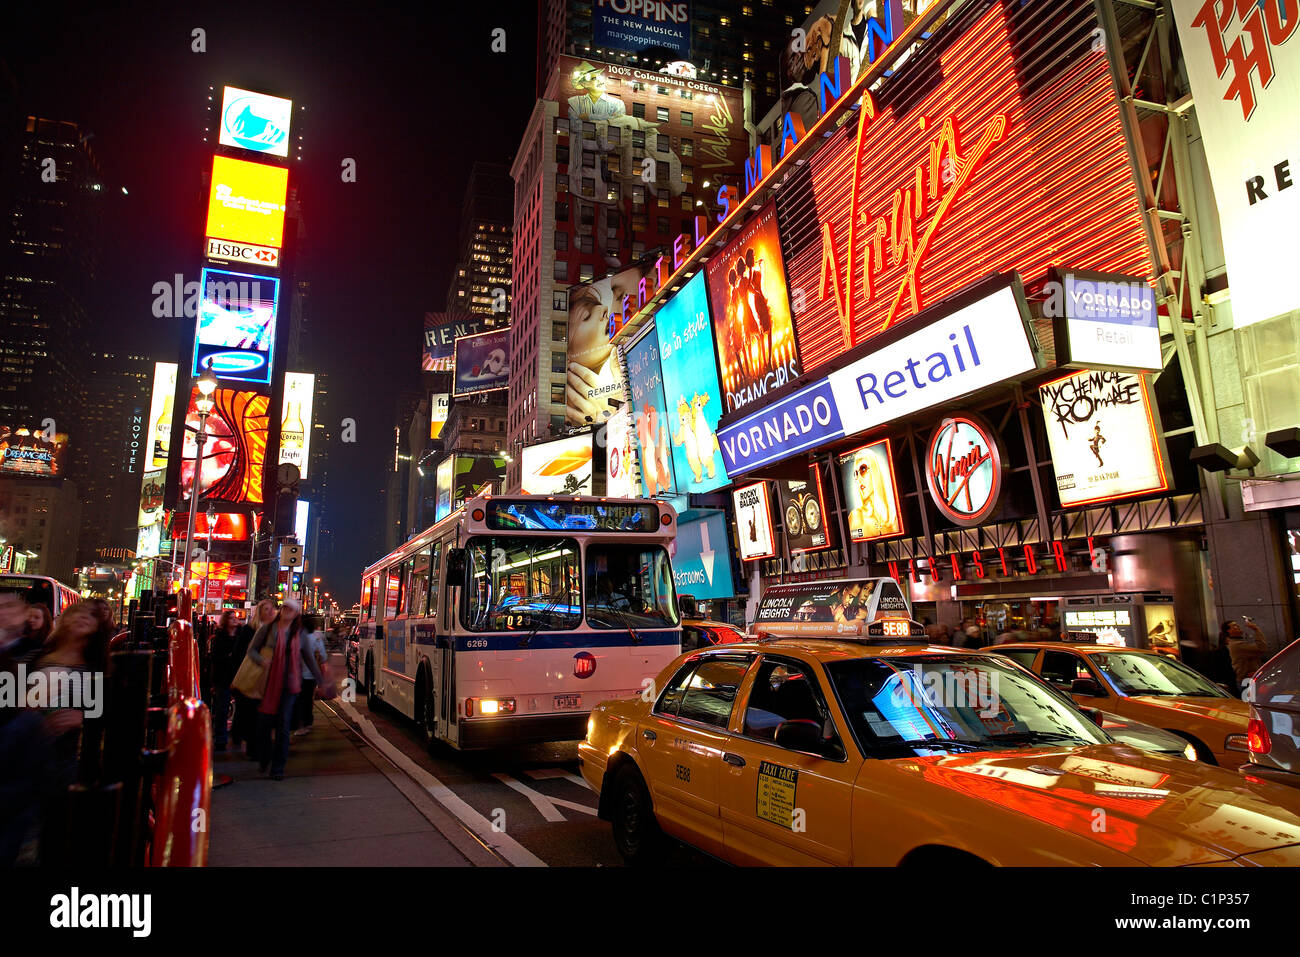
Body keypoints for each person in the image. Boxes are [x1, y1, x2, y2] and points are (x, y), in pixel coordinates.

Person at [246, 599, 324, 780]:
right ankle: (265, 758)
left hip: (290, 685)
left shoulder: (300, 633)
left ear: (296, 614)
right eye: (285, 607)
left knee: (283, 725)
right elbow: (252, 650)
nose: (287, 610)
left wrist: (321, 681)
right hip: (268, 682)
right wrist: (262, 661)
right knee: (264, 725)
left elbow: (309, 658)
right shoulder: (268, 629)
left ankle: (278, 768)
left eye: (291, 609)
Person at [231, 599, 276, 759]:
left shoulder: (275, 630)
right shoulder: (250, 630)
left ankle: (257, 745)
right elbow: (241, 652)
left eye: (272, 609)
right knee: (249, 713)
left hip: (264, 678)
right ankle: (251, 746)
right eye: (266, 609)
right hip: (250, 675)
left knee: (259, 713)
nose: (270, 612)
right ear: (259, 612)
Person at [210, 610, 241, 751]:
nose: (234, 620)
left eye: (235, 618)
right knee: (222, 709)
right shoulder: (219, 637)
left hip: (237, 676)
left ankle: (236, 735)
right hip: (223, 677)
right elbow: (216, 658)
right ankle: (221, 739)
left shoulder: (240, 636)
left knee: (240, 708)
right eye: (231, 618)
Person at [292, 615, 327, 736]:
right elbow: (323, 656)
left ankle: (301, 724)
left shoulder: (296, 636)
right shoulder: (316, 638)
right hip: (310, 675)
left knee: (299, 700)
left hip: (297, 673)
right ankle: (307, 723)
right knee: (307, 700)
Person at [1224, 619, 1269, 695]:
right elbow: (1262, 648)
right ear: (1228, 631)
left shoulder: (1239, 642)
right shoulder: (1237, 645)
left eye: (1237, 625)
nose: (1238, 626)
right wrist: (1256, 629)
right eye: (1234, 626)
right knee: (1253, 701)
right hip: (1247, 681)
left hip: (1249, 679)